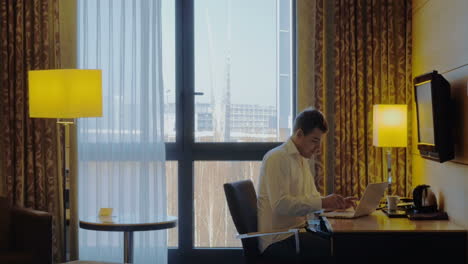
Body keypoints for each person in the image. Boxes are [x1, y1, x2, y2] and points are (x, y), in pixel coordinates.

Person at [257, 107, 356, 261]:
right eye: (314, 141)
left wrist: (333, 204)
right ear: (299, 134)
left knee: (343, 243)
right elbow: (281, 205)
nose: (318, 148)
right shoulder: (277, 158)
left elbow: (311, 198)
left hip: (298, 231)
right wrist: (322, 201)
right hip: (278, 238)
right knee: (340, 248)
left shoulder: (301, 159)